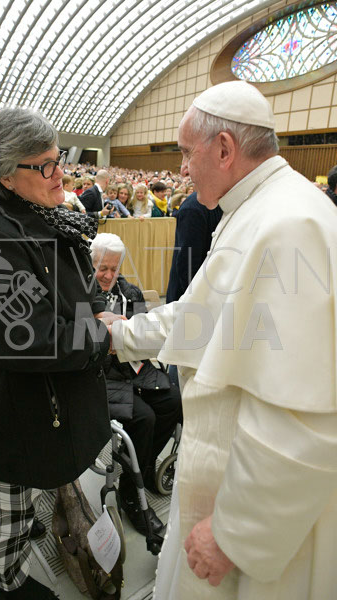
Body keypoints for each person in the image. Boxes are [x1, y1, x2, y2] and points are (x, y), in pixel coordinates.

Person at [110, 81, 337, 599]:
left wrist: (235, 532)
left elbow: (301, 417)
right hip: (227, 476)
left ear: (225, 149)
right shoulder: (257, 208)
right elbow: (201, 315)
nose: (182, 168)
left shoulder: (290, 224)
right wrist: (121, 335)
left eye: (187, 153)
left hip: (261, 520)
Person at [0, 107, 123, 600]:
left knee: (21, 496)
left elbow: (77, 290)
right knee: (10, 504)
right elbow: (30, 340)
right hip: (10, 411)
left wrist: (95, 309)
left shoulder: (42, 214)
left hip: (44, 401)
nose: (59, 172)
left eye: (57, 159)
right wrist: (100, 335)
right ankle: (10, 582)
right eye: (44, 165)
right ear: (6, 175)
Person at [90, 233, 182, 536]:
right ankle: (131, 494)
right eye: (102, 268)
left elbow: (143, 339)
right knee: (144, 418)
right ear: (90, 265)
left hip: (134, 368)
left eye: (114, 268)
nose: (108, 275)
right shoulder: (79, 295)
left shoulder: (130, 291)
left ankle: (143, 466)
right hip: (99, 375)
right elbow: (79, 345)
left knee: (174, 402)